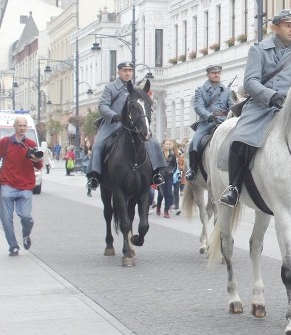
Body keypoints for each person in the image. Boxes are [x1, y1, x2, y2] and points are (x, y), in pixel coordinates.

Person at [220, 9, 291, 207]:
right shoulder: (259, 50)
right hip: (261, 106)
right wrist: (272, 96)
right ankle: (233, 187)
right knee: (241, 138)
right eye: (287, 25)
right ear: (275, 28)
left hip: (289, 110)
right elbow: (250, 82)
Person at [85, 62, 168, 190]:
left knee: (154, 143)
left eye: (130, 70)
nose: (127, 73)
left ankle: (157, 173)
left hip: (133, 126)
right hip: (113, 124)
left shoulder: (136, 89)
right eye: (124, 70)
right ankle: (94, 176)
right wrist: (113, 115)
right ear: (119, 72)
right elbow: (102, 105)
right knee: (98, 145)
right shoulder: (110, 88)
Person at [1, 116, 43, 255]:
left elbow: (39, 165)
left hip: (25, 186)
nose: (22, 128)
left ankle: (26, 235)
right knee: (6, 219)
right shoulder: (6, 142)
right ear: (14, 126)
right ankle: (13, 246)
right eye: (19, 125)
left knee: (26, 216)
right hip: (7, 184)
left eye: (24, 126)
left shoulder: (31, 144)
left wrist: (36, 159)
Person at [185, 65, 231, 182]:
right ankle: (193, 169)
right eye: (213, 73)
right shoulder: (200, 90)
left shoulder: (227, 91)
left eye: (218, 73)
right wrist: (209, 116)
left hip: (225, 121)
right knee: (195, 141)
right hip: (207, 122)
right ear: (208, 74)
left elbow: (232, 106)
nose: (216, 75)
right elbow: (198, 106)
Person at [155, 139, 178, 218]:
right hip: (161, 176)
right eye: (166, 144)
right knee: (161, 194)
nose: (167, 145)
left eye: (169, 144)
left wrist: (172, 171)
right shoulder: (159, 154)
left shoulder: (172, 154)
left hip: (169, 176)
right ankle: (158, 207)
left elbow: (175, 165)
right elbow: (156, 165)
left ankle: (166, 211)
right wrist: (157, 173)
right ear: (163, 145)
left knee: (168, 193)